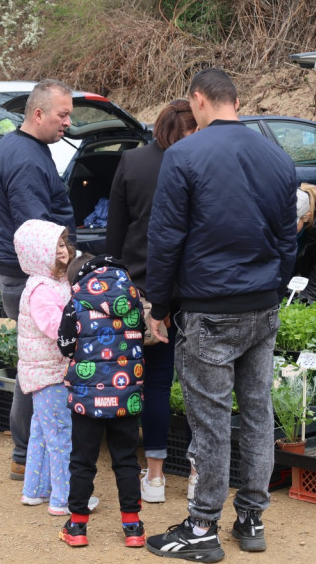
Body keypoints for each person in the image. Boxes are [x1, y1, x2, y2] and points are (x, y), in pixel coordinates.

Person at [144, 68, 297, 561]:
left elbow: (165, 239)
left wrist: (160, 307)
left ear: (199, 100)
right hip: (261, 303)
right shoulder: (276, 154)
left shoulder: (184, 155)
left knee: (210, 421)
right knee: (256, 411)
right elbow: (286, 237)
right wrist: (273, 285)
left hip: (209, 307)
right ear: (237, 100)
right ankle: (251, 517)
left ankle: (202, 527)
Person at [107, 99, 197, 504]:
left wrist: (117, 282)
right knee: (200, 385)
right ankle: (198, 474)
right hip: (194, 291)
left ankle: (156, 476)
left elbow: (115, 233)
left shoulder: (132, 162)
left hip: (142, 291)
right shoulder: (199, 163)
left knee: (154, 384)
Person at [0, 78, 76, 480]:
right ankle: (26, 455)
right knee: (38, 370)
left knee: (33, 366)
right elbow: (35, 229)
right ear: (37, 114)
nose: (68, 123)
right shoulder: (26, 160)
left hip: (17, 274)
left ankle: (28, 454)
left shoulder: (17, 147)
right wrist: (63, 267)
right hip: (30, 278)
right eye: (62, 114)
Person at [57, 254, 146, 549]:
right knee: (126, 460)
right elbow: (141, 337)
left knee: (83, 461)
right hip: (125, 396)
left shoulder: (76, 301)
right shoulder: (133, 299)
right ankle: (133, 527)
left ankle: (77, 527)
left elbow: (65, 345)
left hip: (87, 397)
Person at [15, 219, 78, 516]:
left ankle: (35, 490)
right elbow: (55, 327)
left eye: (63, 245)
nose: (62, 251)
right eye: (54, 248)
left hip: (47, 370)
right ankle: (64, 498)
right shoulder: (40, 288)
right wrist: (81, 325)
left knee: (42, 431)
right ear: (38, 255)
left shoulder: (54, 282)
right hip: (49, 373)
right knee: (60, 435)